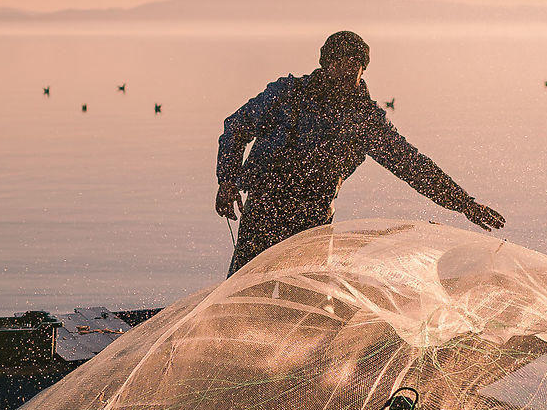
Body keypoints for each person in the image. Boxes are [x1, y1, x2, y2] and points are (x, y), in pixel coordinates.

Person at [215, 31, 504, 275]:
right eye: (339, 61)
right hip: (265, 209)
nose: (347, 69)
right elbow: (235, 128)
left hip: (312, 220)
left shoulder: (365, 120)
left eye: (355, 63)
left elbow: (413, 166)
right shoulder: (287, 94)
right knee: (242, 292)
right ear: (325, 64)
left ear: (364, 69)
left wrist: (465, 204)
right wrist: (227, 180)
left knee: (305, 302)